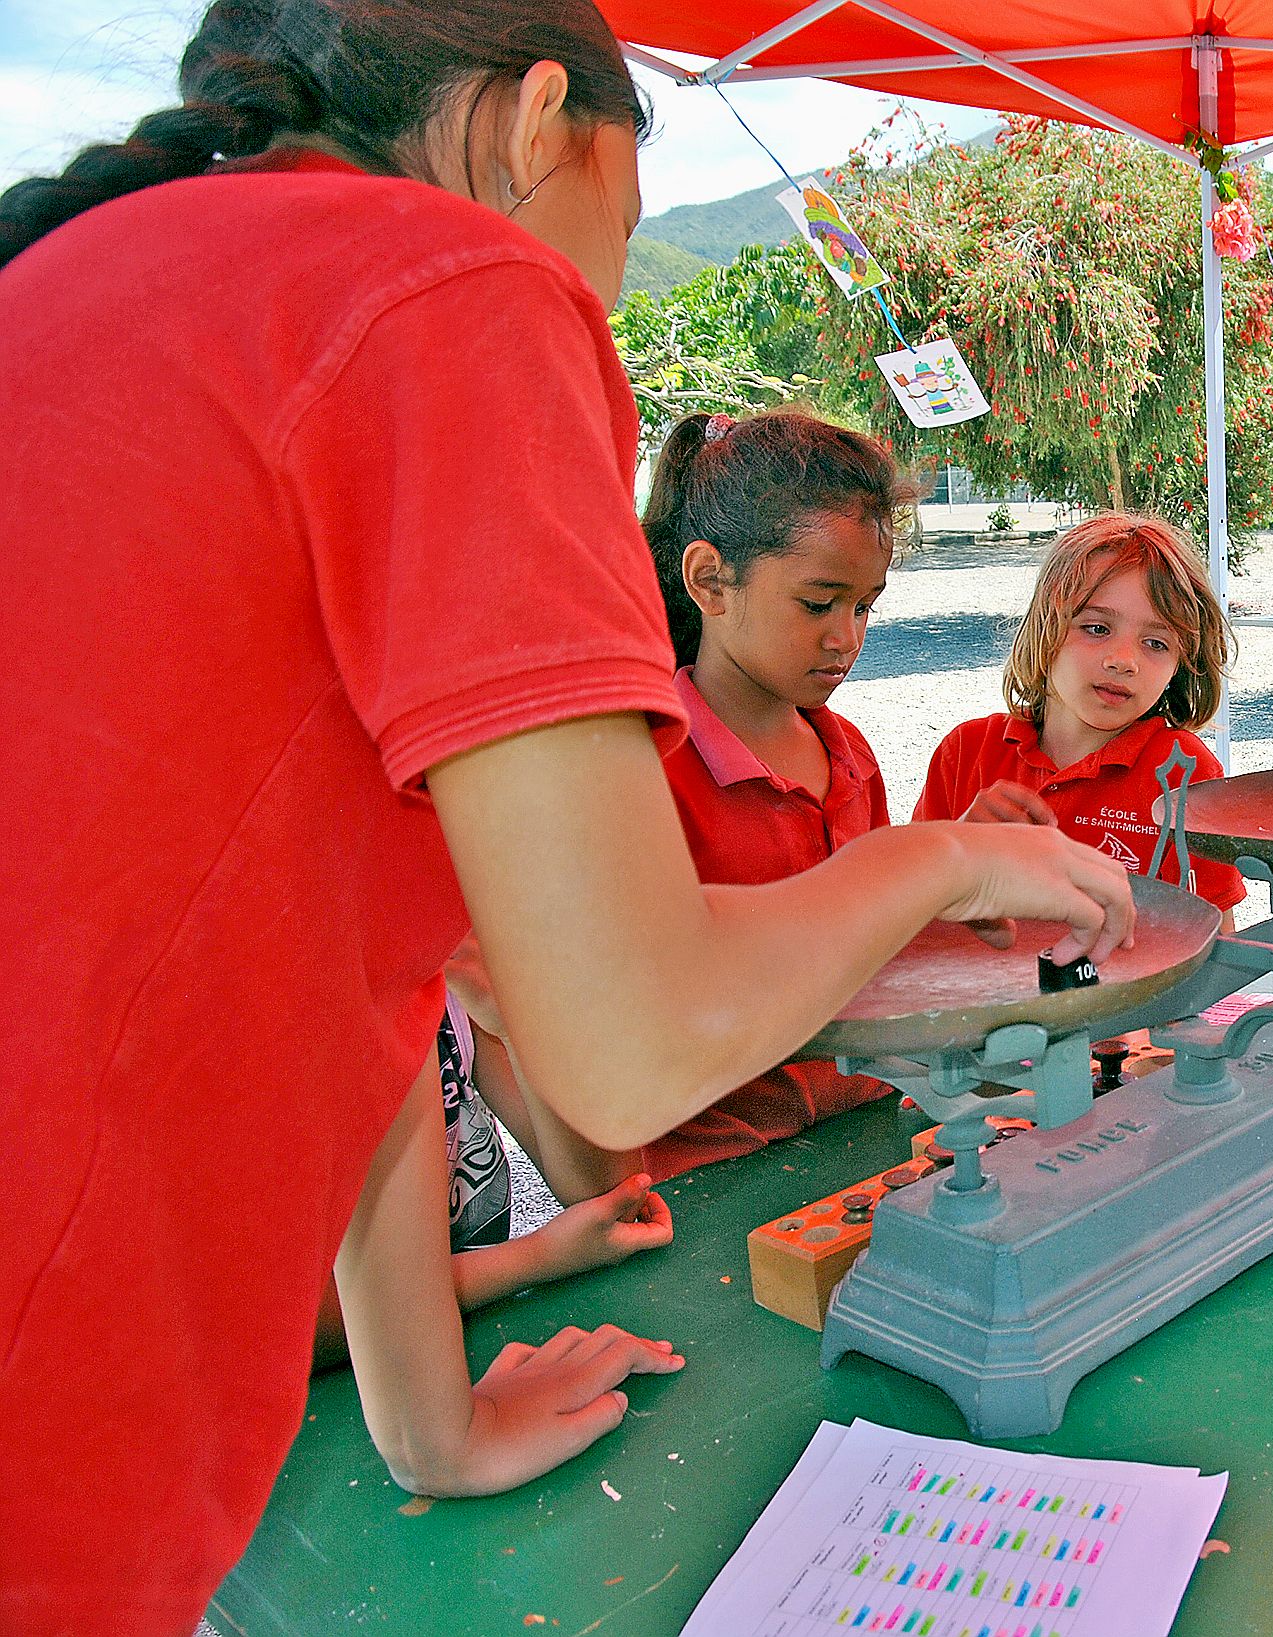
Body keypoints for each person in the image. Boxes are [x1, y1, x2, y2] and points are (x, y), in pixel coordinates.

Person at [0, 4, 1131, 1628]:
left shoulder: (85, 282)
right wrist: (945, 852)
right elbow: (631, 1035)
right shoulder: (450, 283)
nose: (599, 289)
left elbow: (355, 981)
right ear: (542, 121)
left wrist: (430, 1422)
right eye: (627, 210)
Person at [473, 407, 910, 1193]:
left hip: (872, 1134)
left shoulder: (851, 755)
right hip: (710, 1182)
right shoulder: (641, 777)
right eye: (818, 604)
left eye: (864, 605)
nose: (846, 637)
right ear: (709, 580)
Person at [308, 991, 676, 1372]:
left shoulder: (444, 990)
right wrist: (540, 1256)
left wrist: (515, 1017)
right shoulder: (307, 1025)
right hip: (360, 1386)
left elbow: (613, 1195)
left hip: (463, 1343)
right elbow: (299, 1323)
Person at [914, 514, 1246, 918]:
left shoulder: (1185, 772)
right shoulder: (966, 753)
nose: (1123, 661)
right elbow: (906, 925)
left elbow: (1218, 939)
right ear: (1045, 628)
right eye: (1096, 628)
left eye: (1156, 643)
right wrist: (959, 857)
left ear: (1181, 664)